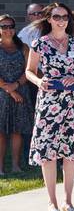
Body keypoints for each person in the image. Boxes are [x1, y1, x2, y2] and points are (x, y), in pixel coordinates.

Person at [25, 4, 74, 211]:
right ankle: (52, 203)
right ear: (49, 19)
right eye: (56, 17)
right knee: (48, 153)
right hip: (49, 104)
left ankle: (68, 202)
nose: (61, 20)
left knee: (70, 153)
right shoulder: (40, 44)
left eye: (65, 16)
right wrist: (39, 81)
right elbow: (29, 71)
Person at [0, 14, 34, 175]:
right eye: (4, 26)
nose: (8, 30)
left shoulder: (24, 47)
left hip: (21, 91)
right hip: (2, 94)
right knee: (1, 132)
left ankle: (15, 165)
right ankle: (0, 168)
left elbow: (28, 71)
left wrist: (16, 85)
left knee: (17, 130)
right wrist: (10, 90)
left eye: (10, 26)